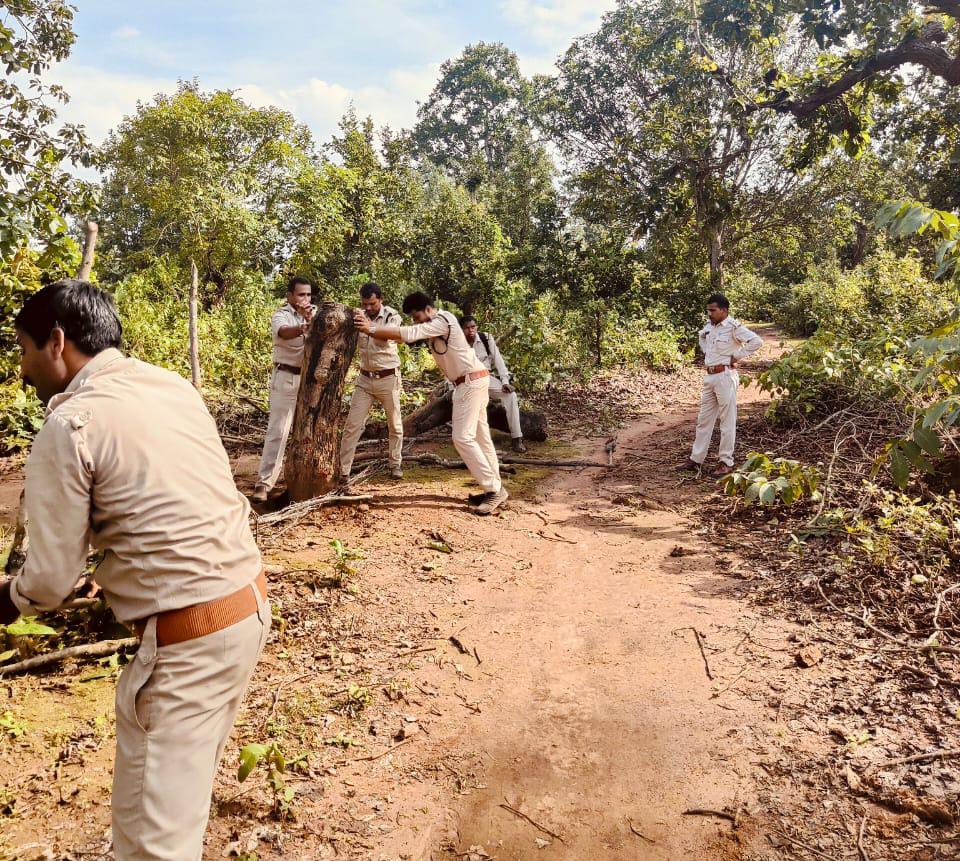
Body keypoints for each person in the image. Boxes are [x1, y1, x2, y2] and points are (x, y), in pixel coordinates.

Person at [0, 280, 269, 860]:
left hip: (186, 645)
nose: (22, 370)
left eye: (22, 350)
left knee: (152, 844)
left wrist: (8, 597)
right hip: (246, 609)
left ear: (57, 341)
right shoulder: (171, 386)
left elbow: (46, 584)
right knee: (179, 804)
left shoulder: (70, 426)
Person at [353, 292, 508, 515]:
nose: (416, 321)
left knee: (462, 437)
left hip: (471, 382)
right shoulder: (434, 324)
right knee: (481, 437)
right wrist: (369, 327)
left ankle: (494, 489)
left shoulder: (443, 320)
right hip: (468, 383)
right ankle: (494, 487)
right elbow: (402, 336)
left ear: (427, 309)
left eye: (417, 316)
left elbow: (410, 333)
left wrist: (372, 328)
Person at [678, 293, 763, 476]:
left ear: (724, 311)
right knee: (704, 420)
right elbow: (702, 339)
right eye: (708, 310)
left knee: (727, 421)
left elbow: (756, 341)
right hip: (709, 377)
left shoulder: (733, 327)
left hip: (725, 376)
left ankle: (726, 461)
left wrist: (736, 356)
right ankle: (696, 458)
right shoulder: (710, 327)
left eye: (713, 310)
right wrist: (709, 355)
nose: (709, 313)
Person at [252, 276, 316, 502]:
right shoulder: (281, 315)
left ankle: (304, 480)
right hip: (286, 378)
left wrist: (313, 320)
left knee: (308, 432)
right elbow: (285, 332)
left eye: (308, 295)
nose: (305, 299)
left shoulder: (315, 313)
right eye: (301, 295)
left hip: (310, 382)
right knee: (278, 431)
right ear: (290, 296)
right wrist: (304, 326)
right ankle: (264, 483)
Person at [339, 282, 404, 480]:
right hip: (365, 380)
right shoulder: (358, 316)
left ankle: (395, 464)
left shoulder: (393, 316)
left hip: (388, 378)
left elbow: (389, 336)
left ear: (381, 300)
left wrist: (368, 328)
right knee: (352, 425)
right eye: (365, 304)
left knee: (395, 425)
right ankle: (343, 471)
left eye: (372, 304)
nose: (368, 307)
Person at [460, 316, 526, 453]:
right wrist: (450, 386)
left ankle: (517, 438)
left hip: (486, 377)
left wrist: (505, 382)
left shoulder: (486, 338)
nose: (471, 330)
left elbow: (498, 361)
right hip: (467, 380)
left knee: (511, 396)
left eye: (473, 327)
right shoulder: (458, 343)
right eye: (467, 328)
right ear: (462, 330)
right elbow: (451, 365)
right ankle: (470, 442)